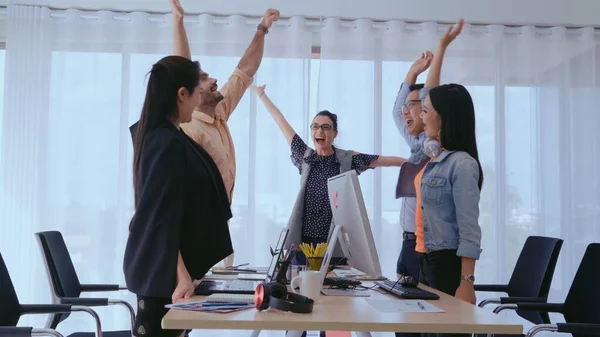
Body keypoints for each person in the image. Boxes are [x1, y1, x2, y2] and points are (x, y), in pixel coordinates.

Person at [124, 55, 233, 337]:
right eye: (196, 94)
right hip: (163, 278)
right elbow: (160, 217)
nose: (198, 101)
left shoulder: (167, 135)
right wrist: (182, 275)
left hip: (164, 274)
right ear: (181, 94)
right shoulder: (163, 141)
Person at [170, 0, 279, 266]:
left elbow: (245, 71)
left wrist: (262, 29)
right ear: (192, 93)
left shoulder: (219, 112)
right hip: (195, 233)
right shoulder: (187, 128)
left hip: (218, 225)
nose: (214, 80)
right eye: (205, 78)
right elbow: (180, 71)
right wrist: (178, 22)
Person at [251, 84, 407, 266]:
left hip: (335, 241)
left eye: (326, 127)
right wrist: (261, 94)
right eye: (315, 127)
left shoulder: (348, 159)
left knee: (334, 289)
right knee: (300, 286)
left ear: (335, 134)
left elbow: (383, 160)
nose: (320, 131)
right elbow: (280, 120)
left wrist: (413, 164)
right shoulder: (306, 157)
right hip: (304, 243)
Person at [417, 19, 483, 336]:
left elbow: (469, 229)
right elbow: (430, 94)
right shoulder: (433, 156)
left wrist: (466, 283)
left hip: (447, 266)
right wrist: (440, 48)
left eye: (427, 111)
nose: (421, 115)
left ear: (444, 118)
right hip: (425, 261)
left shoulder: (462, 164)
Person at [392, 52, 433, 337]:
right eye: (405, 105)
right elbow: (397, 112)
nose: (405, 111)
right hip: (408, 244)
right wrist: (411, 74)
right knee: (404, 326)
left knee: (422, 328)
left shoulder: (436, 148)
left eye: (412, 106)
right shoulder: (416, 142)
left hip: (427, 248)